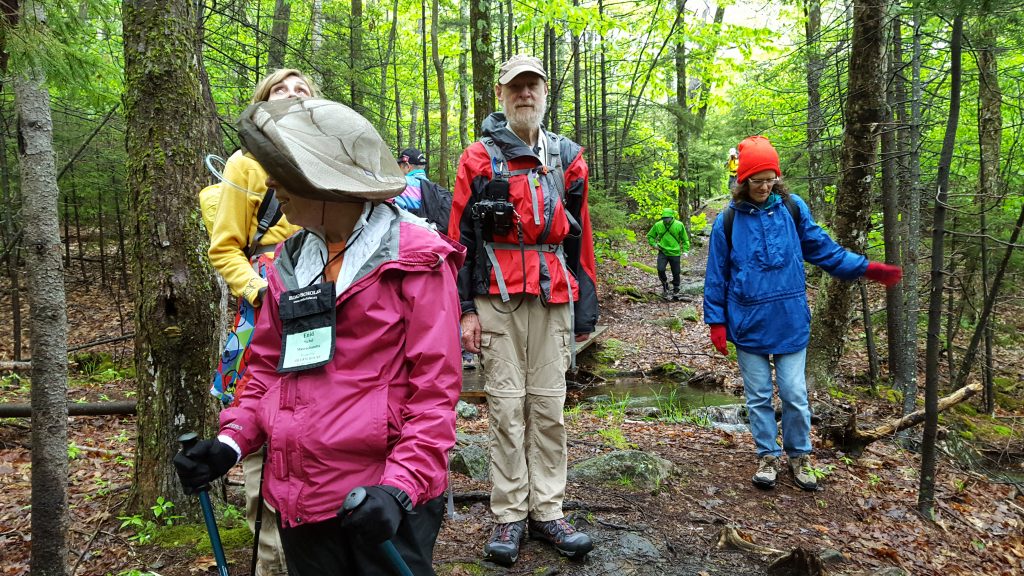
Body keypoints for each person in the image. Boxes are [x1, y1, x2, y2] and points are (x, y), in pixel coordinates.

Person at [176, 98, 465, 575]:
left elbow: (435, 394)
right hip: (300, 497)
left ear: (327, 183)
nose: (270, 185)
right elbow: (266, 369)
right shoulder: (289, 264)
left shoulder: (415, 262)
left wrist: (398, 488)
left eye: (284, 174)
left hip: (380, 505)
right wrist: (230, 443)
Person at [449, 53, 598, 566]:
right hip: (496, 299)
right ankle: (510, 514)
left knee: (549, 407)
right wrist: (464, 309)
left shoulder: (567, 158)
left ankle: (548, 511)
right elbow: (460, 240)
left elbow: (582, 239)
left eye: (533, 85)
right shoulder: (477, 159)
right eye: (516, 87)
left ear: (544, 90)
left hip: (554, 296)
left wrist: (586, 306)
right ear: (501, 93)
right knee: (507, 407)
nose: (525, 94)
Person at [703, 135, 902, 492]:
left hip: (790, 318)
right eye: (756, 180)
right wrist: (716, 322)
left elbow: (824, 250)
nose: (764, 186)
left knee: (794, 393)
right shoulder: (728, 221)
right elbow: (717, 275)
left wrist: (866, 268)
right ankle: (767, 456)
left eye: (770, 179)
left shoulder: (792, 209)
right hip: (747, 322)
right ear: (742, 181)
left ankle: (799, 456)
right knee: (759, 396)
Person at [203, 68, 320, 576]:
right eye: (281, 90)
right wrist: (262, 293)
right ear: (261, 103)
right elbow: (225, 248)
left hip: (326, 303)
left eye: (302, 91)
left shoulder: (328, 159)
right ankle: (270, 561)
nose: (292, 96)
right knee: (261, 421)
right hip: (267, 303)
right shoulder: (245, 164)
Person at [646, 208, 690, 300]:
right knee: (660, 269)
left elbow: (685, 239)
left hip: (675, 252)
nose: (665, 220)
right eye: (664, 218)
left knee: (676, 271)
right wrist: (654, 245)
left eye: (667, 218)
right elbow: (650, 236)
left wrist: (685, 250)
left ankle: (676, 287)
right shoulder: (658, 225)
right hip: (662, 251)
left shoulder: (679, 225)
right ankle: (665, 284)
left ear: (672, 217)